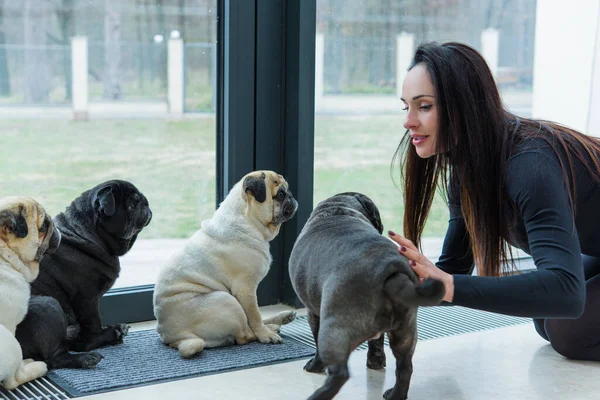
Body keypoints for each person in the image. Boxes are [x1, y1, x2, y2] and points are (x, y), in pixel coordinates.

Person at [387, 41, 600, 362]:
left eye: (425, 106)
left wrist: (449, 286)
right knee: (546, 320)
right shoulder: (466, 170)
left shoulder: (532, 163)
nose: (409, 121)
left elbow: (566, 292)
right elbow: (452, 269)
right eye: (407, 107)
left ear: (463, 106)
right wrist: (389, 299)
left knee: (568, 331)